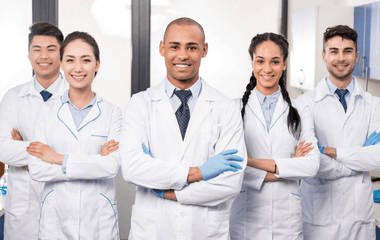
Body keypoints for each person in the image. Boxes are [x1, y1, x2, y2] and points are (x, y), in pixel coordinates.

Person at [120, 17, 246, 240]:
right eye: (174, 46)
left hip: (204, 230)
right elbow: (132, 167)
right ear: (162, 48)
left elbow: (230, 181)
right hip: (153, 230)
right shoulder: (140, 104)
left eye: (192, 47)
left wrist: (168, 192)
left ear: (204, 50)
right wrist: (197, 172)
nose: (183, 55)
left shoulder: (226, 108)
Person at [27, 31, 121, 239]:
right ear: (61, 63)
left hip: (98, 221)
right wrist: (94, 163)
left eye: (86, 60)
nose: (78, 68)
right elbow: (36, 168)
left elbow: (112, 166)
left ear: (97, 64)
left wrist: (57, 158)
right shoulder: (46, 111)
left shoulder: (112, 113)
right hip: (55, 220)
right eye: (70, 60)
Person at [229, 32, 320, 240]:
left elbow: (312, 165)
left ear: (285, 64)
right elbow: (232, 168)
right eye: (260, 61)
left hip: (286, 222)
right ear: (252, 62)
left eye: (275, 61)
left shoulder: (300, 108)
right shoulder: (234, 109)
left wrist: (250, 161)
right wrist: (290, 168)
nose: (267, 69)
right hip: (245, 219)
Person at [298, 25, 380, 240]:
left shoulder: (374, 105)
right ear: (324, 56)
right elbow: (312, 161)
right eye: (334, 51)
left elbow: (378, 158)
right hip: (319, 220)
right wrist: (358, 162)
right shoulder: (305, 103)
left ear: (357, 56)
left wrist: (334, 152)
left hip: (359, 218)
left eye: (348, 51)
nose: (341, 58)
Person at [0, 22, 67, 239]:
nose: (43, 56)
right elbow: (2, 149)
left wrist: (24, 154)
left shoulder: (77, 96)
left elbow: (83, 154)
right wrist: (54, 155)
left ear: (62, 54)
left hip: (65, 207)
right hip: (22, 212)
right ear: (29, 55)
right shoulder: (13, 97)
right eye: (37, 49)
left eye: (51, 49)